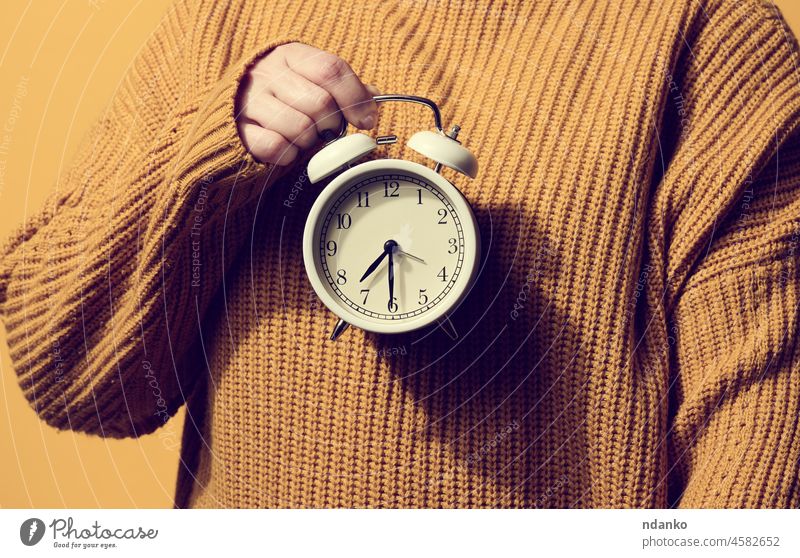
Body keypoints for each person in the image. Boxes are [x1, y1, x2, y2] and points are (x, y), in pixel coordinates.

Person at [1, 0, 799, 509]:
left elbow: (764, 438)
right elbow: (69, 375)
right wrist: (215, 148)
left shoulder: (707, 38)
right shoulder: (231, 20)